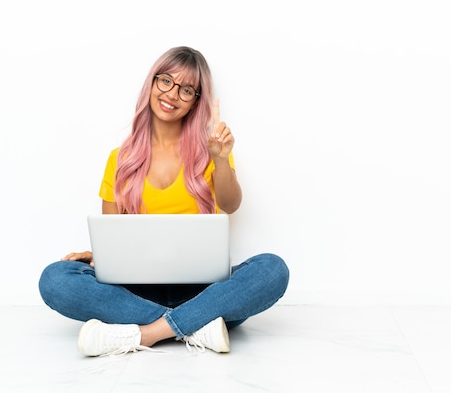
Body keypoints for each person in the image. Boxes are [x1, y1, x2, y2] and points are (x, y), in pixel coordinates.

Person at [38, 46, 290, 357]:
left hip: (202, 289)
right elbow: (112, 235)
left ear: (196, 102)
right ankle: (196, 326)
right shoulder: (120, 159)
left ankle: (146, 333)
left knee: (272, 269)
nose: (173, 94)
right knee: (55, 279)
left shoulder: (212, 151)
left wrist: (220, 161)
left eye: (187, 90)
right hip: (136, 291)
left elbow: (231, 204)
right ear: (152, 83)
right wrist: (97, 254)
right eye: (166, 81)